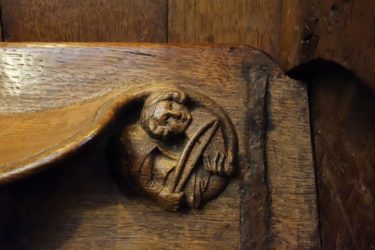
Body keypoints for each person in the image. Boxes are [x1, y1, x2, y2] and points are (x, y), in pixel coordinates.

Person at [121, 90, 231, 211]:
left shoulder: (205, 122)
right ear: (165, 131)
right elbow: (145, 180)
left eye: (170, 106)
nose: (177, 114)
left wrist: (221, 170)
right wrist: (159, 195)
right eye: (167, 120)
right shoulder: (149, 156)